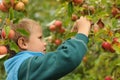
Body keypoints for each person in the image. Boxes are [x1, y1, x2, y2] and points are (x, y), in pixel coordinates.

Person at [4, 16, 91, 80]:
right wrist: (83, 32)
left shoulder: (18, 70)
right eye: (40, 38)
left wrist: (74, 38)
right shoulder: (27, 67)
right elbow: (68, 57)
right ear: (23, 43)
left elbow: (54, 61)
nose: (45, 43)